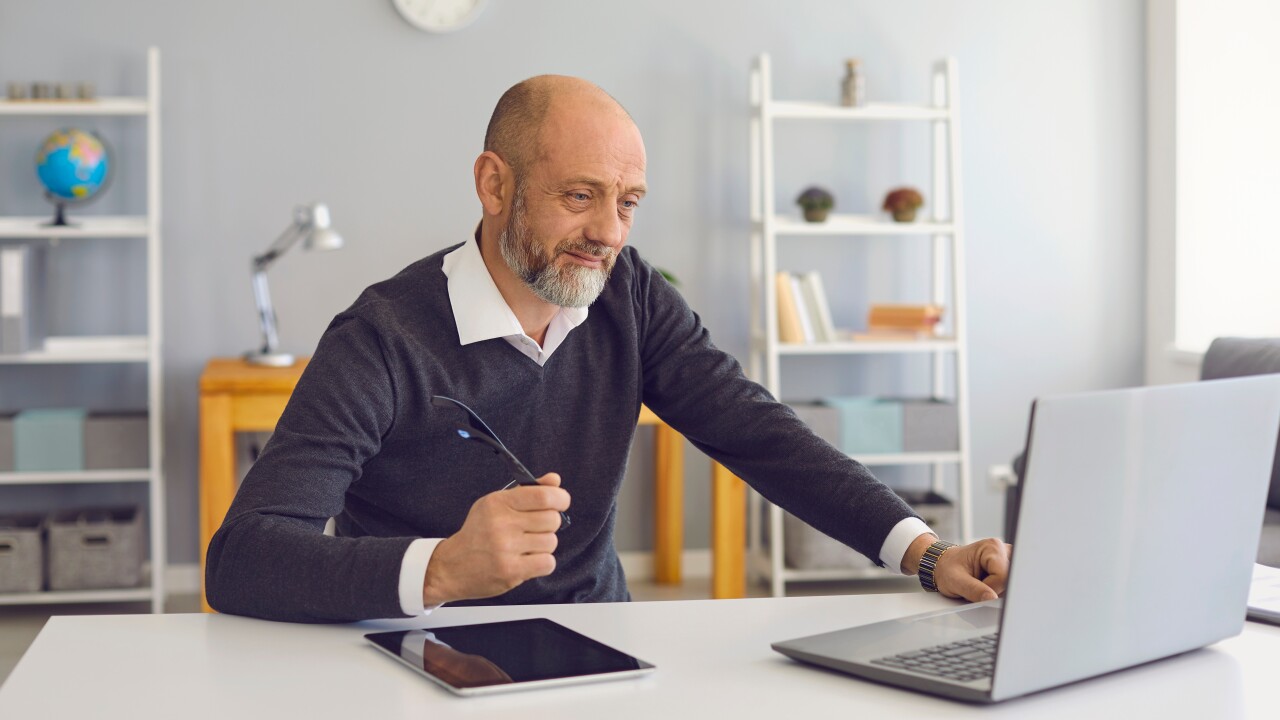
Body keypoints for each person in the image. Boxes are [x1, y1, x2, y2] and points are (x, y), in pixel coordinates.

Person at [205, 75, 1011, 623]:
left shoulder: (629, 292)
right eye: (580, 196)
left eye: (628, 202)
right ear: (494, 185)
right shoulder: (381, 338)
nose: (609, 234)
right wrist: (442, 567)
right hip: (417, 651)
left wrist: (925, 552)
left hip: (604, 645)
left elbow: (755, 430)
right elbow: (241, 558)